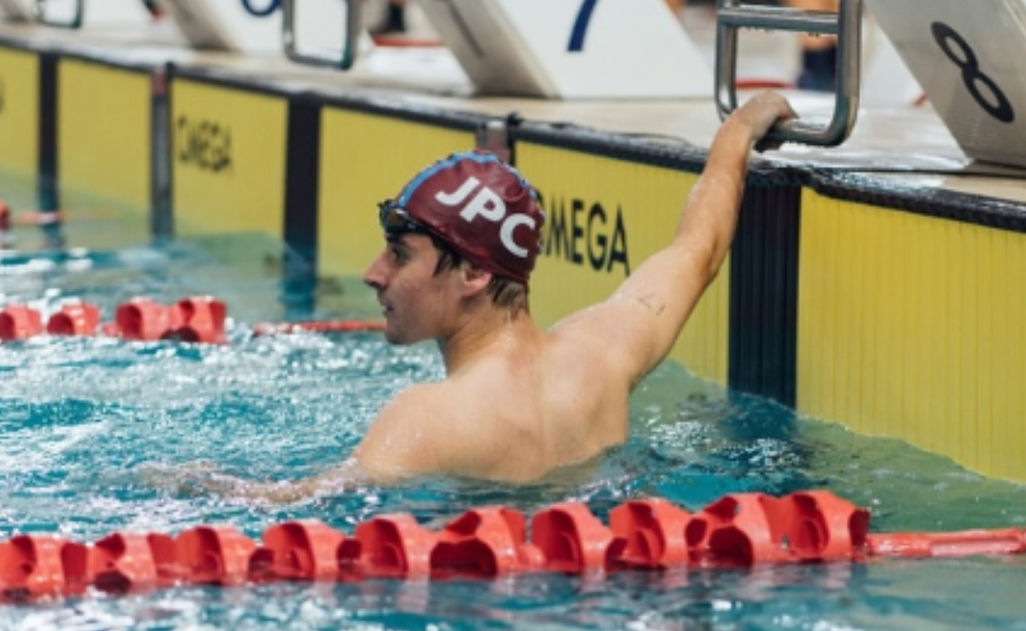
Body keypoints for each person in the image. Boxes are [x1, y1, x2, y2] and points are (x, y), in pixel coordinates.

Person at [183, 91, 794, 501]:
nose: (374, 274)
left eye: (400, 255)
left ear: (474, 275)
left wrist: (197, 485)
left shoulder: (427, 417)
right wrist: (738, 130)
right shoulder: (605, 356)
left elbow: (304, 509)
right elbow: (699, 250)